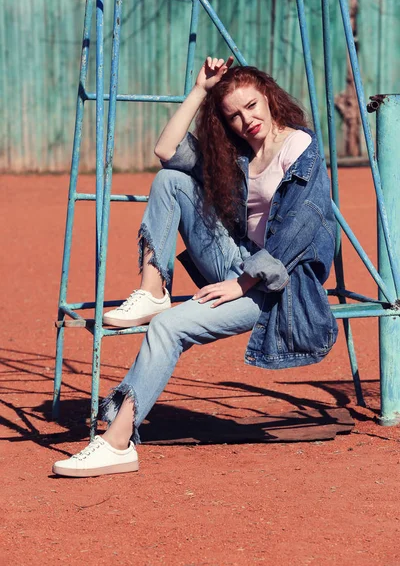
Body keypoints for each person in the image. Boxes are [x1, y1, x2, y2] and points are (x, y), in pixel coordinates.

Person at [52, 56, 338, 477]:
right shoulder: (239, 155)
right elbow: (166, 151)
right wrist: (200, 90)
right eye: (234, 115)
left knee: (169, 328)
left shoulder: (301, 150)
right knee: (171, 180)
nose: (247, 120)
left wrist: (243, 284)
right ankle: (153, 291)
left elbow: (295, 234)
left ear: (270, 98)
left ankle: (117, 443)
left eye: (252, 106)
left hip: (279, 286)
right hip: (239, 266)